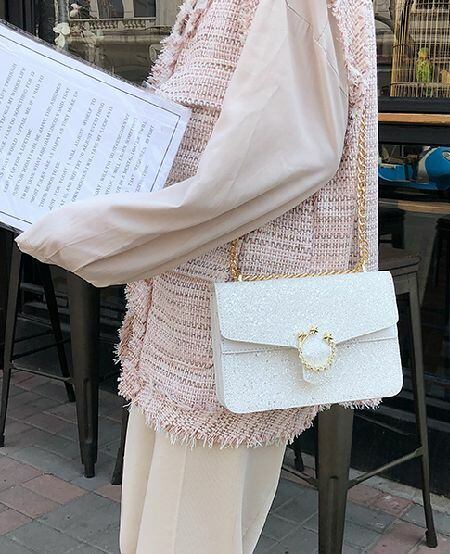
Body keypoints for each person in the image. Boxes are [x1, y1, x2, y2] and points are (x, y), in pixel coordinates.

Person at [16, 0, 379, 552]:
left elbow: (271, 159)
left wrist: (95, 230)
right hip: (189, 311)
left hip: (229, 323)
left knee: (188, 529)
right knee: (165, 520)